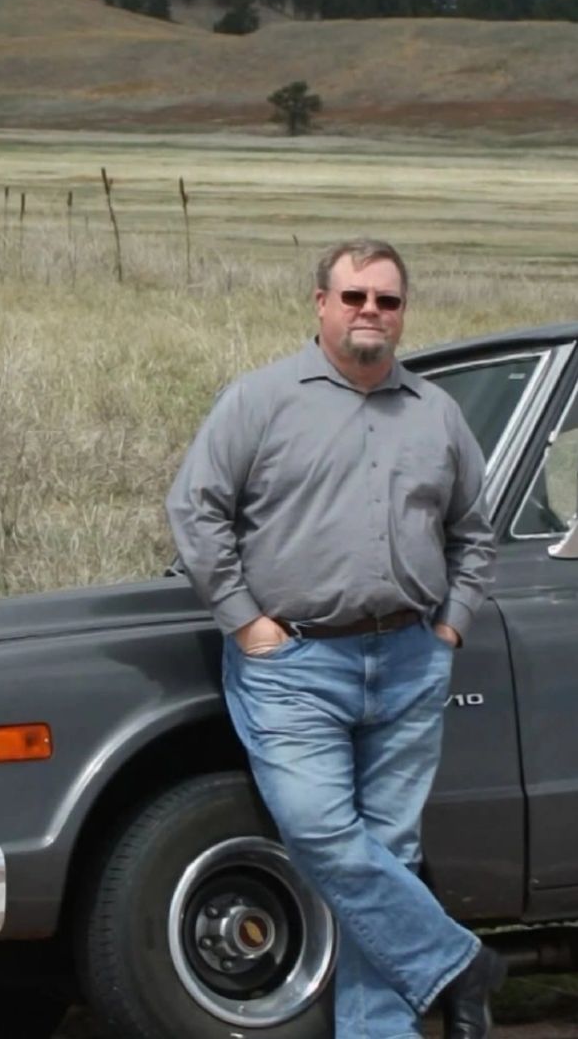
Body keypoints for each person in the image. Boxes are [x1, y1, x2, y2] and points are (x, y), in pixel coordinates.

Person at [166, 238, 503, 1039]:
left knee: (386, 849)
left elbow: (474, 534)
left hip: (411, 656)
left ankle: (382, 1029)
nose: (369, 313)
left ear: (401, 312)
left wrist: (451, 624)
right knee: (320, 832)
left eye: (385, 300)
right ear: (321, 303)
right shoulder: (261, 401)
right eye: (354, 297)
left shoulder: (436, 413)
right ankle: (458, 963)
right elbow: (196, 511)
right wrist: (248, 623)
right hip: (294, 665)